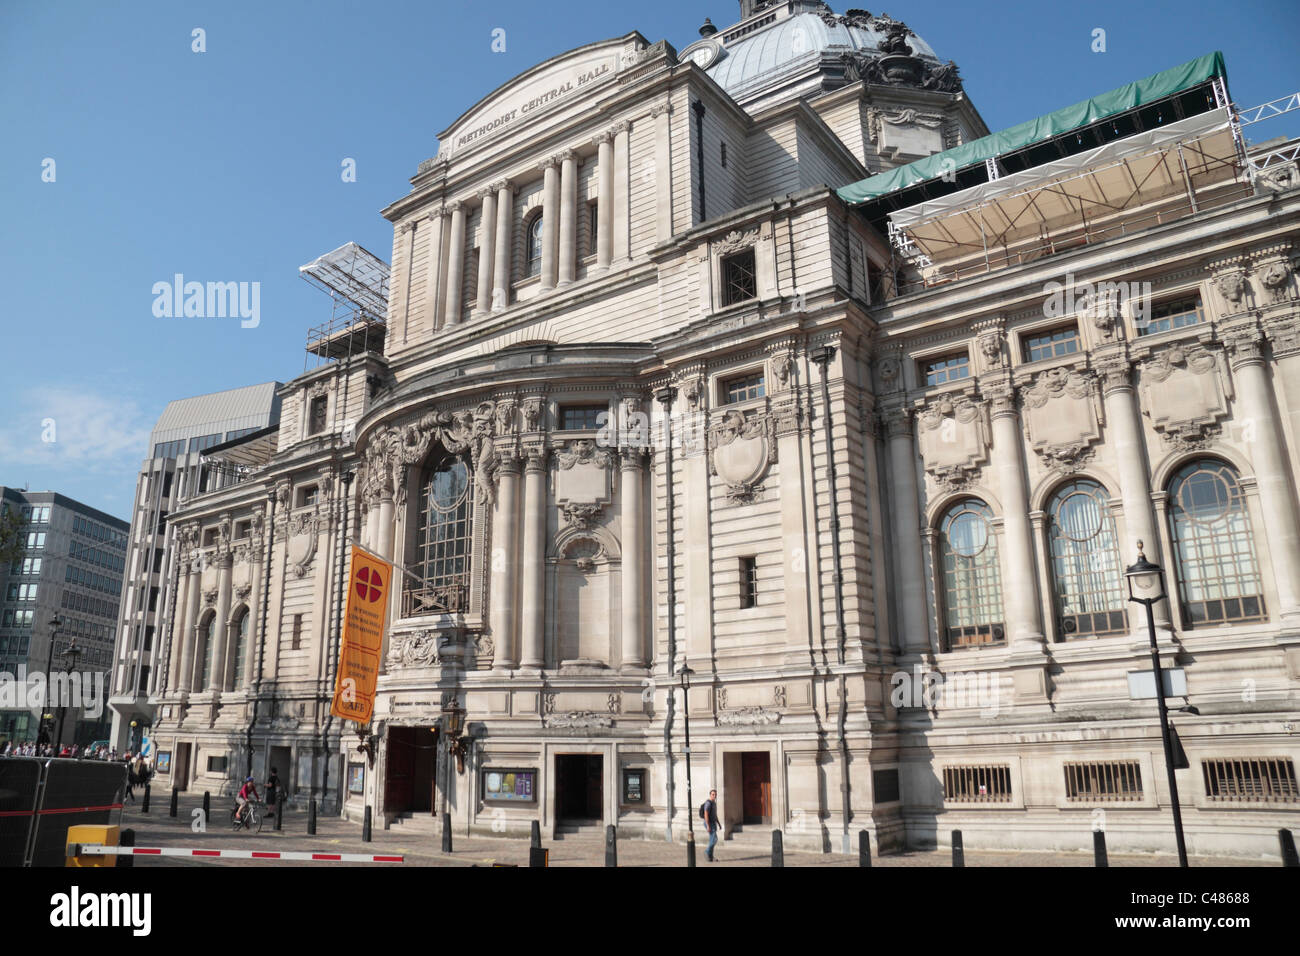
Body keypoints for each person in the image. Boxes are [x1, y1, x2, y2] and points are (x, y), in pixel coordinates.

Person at [700, 788, 721, 862]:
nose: (714, 796)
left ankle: (711, 857)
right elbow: (706, 814)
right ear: (710, 795)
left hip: (713, 823)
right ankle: (707, 851)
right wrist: (708, 825)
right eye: (713, 794)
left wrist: (719, 823)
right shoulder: (708, 803)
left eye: (715, 794)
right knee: (714, 839)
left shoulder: (714, 803)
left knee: (712, 839)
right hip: (709, 823)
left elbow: (715, 815)